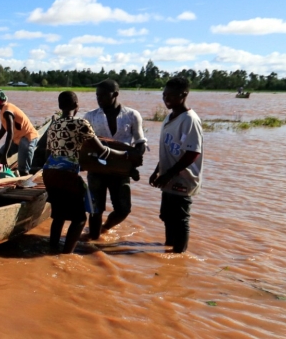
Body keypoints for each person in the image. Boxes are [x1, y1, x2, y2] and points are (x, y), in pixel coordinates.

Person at [43, 91, 135, 254]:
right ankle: (65, 255)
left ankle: (51, 248)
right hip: (67, 175)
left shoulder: (53, 125)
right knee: (79, 219)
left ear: (60, 106)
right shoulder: (81, 123)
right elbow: (102, 151)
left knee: (59, 216)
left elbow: (47, 153)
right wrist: (125, 155)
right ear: (76, 105)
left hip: (49, 173)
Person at [82, 79, 147, 240]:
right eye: (97, 96)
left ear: (115, 94)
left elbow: (140, 143)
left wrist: (134, 164)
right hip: (97, 168)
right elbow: (83, 143)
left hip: (121, 169)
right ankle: (93, 241)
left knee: (123, 209)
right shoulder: (90, 116)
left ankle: (105, 228)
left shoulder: (131, 115)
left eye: (103, 95)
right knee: (95, 209)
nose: (99, 99)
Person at [150, 76, 203, 253]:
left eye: (171, 96)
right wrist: (158, 171)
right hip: (168, 177)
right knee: (167, 216)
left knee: (180, 218)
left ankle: (179, 255)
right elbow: (168, 149)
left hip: (183, 178)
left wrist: (168, 174)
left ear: (184, 95)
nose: (166, 99)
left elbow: (192, 153)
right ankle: (168, 250)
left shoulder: (190, 120)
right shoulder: (169, 117)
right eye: (164, 95)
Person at [0, 88, 38, 176]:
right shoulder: (4, 109)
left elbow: (10, 133)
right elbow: (3, 129)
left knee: (23, 170)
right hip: (17, 138)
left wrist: (5, 155)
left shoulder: (7, 111)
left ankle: (24, 179)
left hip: (27, 137)